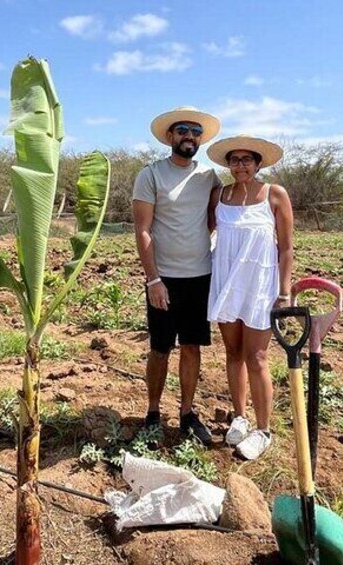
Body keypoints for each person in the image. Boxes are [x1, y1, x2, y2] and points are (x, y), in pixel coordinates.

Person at [132, 106, 223, 445]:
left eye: (195, 131)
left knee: (192, 346)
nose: (189, 136)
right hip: (164, 279)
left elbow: (215, 216)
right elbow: (142, 230)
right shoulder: (151, 175)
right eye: (183, 130)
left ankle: (186, 413)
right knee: (159, 348)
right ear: (170, 137)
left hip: (200, 275)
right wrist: (153, 279)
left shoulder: (209, 176)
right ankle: (153, 412)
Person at [206, 134, 294, 460]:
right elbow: (205, 233)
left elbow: (286, 248)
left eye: (246, 160)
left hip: (260, 285)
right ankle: (239, 416)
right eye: (234, 160)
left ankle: (263, 429)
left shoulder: (274, 195)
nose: (240, 165)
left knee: (256, 357)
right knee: (232, 352)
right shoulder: (220, 195)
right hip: (227, 282)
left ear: (258, 164)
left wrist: (284, 293)